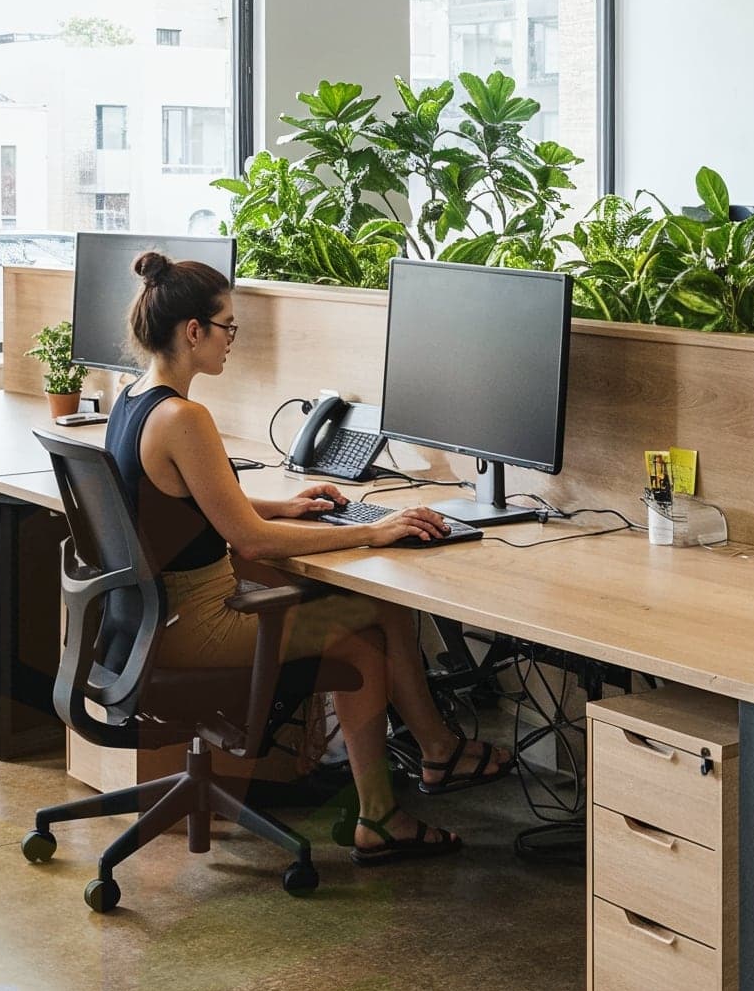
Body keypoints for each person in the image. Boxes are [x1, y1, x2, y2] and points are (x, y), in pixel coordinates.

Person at [105, 250, 510, 863]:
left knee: (379, 610)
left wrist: (284, 504)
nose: (232, 340)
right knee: (362, 638)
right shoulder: (186, 417)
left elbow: (196, 503)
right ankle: (383, 810)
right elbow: (252, 544)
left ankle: (434, 753)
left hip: (147, 621)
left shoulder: (136, 399)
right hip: (199, 626)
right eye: (227, 327)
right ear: (193, 332)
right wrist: (372, 532)